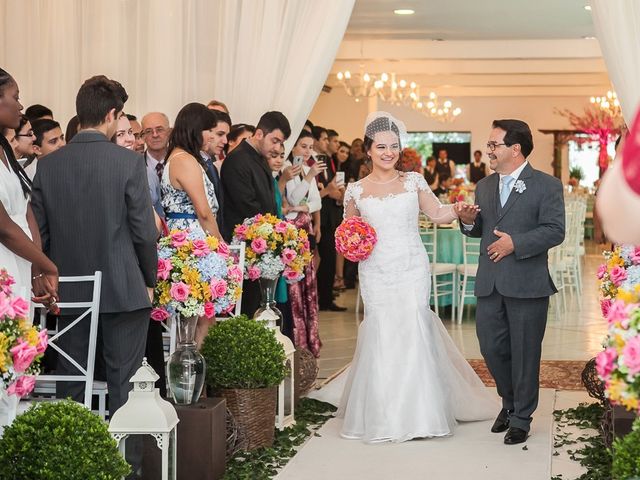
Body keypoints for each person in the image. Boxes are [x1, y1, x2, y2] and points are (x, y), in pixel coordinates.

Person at [317, 112, 496, 443]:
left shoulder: (413, 181)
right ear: (368, 150)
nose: (389, 153)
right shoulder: (355, 190)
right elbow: (348, 232)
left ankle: (420, 413)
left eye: (394, 147)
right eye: (381, 147)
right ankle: (382, 412)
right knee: (382, 329)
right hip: (377, 269)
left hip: (411, 266)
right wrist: (350, 245)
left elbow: (438, 213)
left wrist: (457, 210)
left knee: (413, 325)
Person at [31, 75, 157, 476]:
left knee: (71, 384)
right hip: (123, 290)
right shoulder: (126, 162)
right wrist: (150, 279)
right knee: (125, 387)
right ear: (111, 114)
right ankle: (126, 470)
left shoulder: (47, 166)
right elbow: (143, 231)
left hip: (69, 293)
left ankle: (73, 467)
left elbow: (41, 236)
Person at [458, 119, 565, 445]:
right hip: (490, 282)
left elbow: (555, 230)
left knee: (525, 352)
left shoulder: (547, 185)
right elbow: (481, 229)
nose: (489, 150)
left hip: (527, 283)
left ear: (515, 149)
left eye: (494, 145)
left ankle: (520, 417)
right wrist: (467, 222)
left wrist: (515, 243)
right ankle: (509, 401)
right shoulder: (485, 185)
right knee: (490, 348)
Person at [221, 111, 290, 316]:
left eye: (281, 143)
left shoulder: (259, 157)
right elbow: (246, 207)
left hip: (260, 244)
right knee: (249, 308)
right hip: (246, 247)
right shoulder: (237, 160)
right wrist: (270, 231)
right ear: (259, 134)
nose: (277, 148)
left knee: (260, 307)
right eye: (275, 140)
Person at [0, 69, 44, 300]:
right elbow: (5, 228)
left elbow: (26, 210)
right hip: (4, 258)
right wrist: (48, 265)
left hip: (22, 259)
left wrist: (36, 267)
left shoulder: (6, 150)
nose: (20, 106)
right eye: (15, 97)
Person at [283, 131, 325, 355]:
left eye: (310, 146)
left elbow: (316, 202)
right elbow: (293, 198)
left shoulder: (307, 171)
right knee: (296, 287)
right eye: (304, 146)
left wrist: (300, 207)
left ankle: (309, 338)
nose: (308, 151)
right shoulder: (288, 169)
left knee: (308, 283)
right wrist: (308, 179)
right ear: (293, 147)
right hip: (292, 232)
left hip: (305, 227)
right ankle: (297, 338)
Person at [313, 126, 346, 311]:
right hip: (320, 213)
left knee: (328, 258)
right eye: (325, 139)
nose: (326, 142)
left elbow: (331, 183)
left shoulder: (327, 159)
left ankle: (325, 298)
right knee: (322, 258)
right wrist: (329, 192)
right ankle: (321, 298)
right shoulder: (312, 161)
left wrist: (338, 192)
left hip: (329, 213)